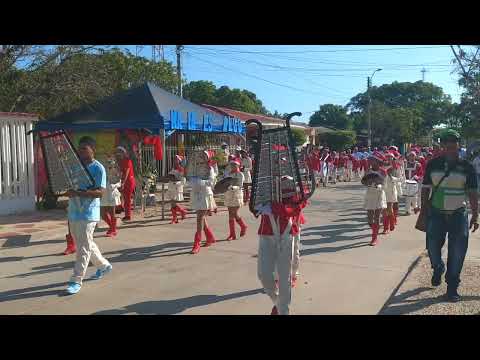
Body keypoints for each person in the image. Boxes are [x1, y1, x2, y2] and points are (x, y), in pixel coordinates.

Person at [420, 129, 478, 302]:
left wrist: (475, 215)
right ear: (442, 145)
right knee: (432, 248)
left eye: (454, 141)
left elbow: (473, 193)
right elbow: (425, 189)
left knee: (458, 252)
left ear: (459, 144)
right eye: (447, 142)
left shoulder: (467, 167)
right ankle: (438, 267)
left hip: (458, 215)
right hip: (436, 213)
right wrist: (424, 210)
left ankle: (452, 287)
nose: (451, 145)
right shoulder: (433, 164)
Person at [65, 136, 112, 295]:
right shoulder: (74, 166)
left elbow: (100, 192)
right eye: (80, 148)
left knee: (83, 248)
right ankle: (104, 266)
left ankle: (76, 280)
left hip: (88, 214)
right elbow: (69, 185)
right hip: (73, 211)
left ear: (93, 150)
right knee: (85, 243)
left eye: (85, 148)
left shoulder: (98, 168)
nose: (81, 151)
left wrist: (78, 193)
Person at [257, 176, 306, 315]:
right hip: (267, 232)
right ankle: (279, 304)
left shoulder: (293, 179)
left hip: (286, 232)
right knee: (263, 275)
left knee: (285, 279)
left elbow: (299, 205)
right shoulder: (265, 181)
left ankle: (283, 310)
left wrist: (274, 208)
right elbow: (254, 204)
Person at [188, 150, 217, 254]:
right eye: (201, 155)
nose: (201, 157)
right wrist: (192, 181)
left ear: (207, 158)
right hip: (196, 193)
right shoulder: (195, 167)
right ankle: (210, 237)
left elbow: (211, 181)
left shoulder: (210, 168)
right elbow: (190, 177)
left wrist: (200, 182)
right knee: (201, 217)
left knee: (199, 217)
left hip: (205, 194)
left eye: (204, 156)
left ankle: (197, 243)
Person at [361, 152, 387, 246]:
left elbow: (385, 184)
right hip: (370, 195)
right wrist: (367, 183)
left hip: (379, 195)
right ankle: (375, 228)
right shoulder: (368, 170)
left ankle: (374, 238)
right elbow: (363, 181)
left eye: (373, 160)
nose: (371, 161)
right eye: (370, 160)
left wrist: (379, 186)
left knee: (376, 216)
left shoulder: (383, 171)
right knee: (369, 219)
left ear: (377, 161)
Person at [223, 158, 248, 240]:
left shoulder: (240, 174)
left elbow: (240, 185)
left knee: (234, 213)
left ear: (238, 165)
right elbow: (224, 182)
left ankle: (243, 226)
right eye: (231, 164)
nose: (232, 166)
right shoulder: (228, 173)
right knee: (230, 214)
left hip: (237, 195)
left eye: (234, 164)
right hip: (229, 195)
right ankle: (232, 234)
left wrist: (233, 187)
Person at [100, 156, 122, 237]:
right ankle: (112, 227)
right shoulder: (102, 171)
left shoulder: (116, 172)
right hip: (103, 193)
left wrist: (114, 185)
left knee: (112, 213)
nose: (110, 165)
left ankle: (113, 230)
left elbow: (119, 182)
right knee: (102, 213)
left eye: (111, 163)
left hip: (112, 193)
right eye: (108, 163)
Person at [116, 146, 136, 222]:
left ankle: (128, 215)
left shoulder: (127, 160)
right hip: (124, 181)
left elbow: (126, 172)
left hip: (128, 181)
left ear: (123, 153)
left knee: (127, 198)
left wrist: (123, 182)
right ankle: (122, 209)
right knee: (122, 197)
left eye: (119, 152)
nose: (118, 154)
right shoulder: (120, 161)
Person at [382, 152, 399, 234]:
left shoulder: (396, 167)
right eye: (387, 157)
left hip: (391, 189)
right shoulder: (382, 166)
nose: (389, 158)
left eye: (390, 157)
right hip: (383, 189)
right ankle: (386, 227)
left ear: (393, 158)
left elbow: (399, 178)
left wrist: (392, 178)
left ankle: (391, 222)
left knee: (389, 208)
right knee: (384, 210)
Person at [167, 155, 188, 224]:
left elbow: (182, 179)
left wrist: (173, 178)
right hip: (171, 186)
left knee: (173, 203)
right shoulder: (173, 168)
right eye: (174, 159)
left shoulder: (181, 169)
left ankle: (175, 217)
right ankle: (182, 212)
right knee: (172, 203)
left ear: (179, 161)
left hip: (176, 187)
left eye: (176, 159)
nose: (175, 161)